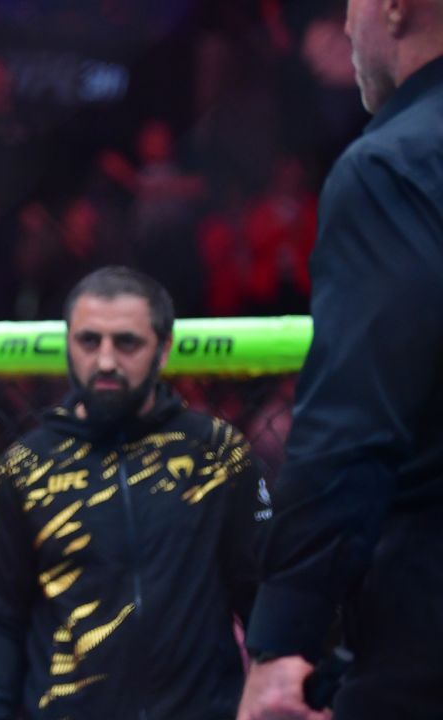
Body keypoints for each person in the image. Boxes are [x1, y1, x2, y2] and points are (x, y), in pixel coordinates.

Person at [237, 1, 443, 718]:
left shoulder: (399, 163)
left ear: (393, 7)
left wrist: (283, 645)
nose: (345, 26)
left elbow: (352, 425)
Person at [0, 267, 272, 719]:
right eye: (89, 341)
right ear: (69, 342)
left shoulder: (216, 454)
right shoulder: (24, 467)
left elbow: (260, 590)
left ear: (163, 349)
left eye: (127, 342)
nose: (106, 361)